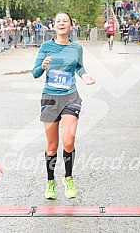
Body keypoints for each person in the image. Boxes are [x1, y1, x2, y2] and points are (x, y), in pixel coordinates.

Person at [32, 12, 95, 199]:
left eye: (65, 21)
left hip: (70, 97)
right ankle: (50, 181)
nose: (61, 23)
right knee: (52, 146)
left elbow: (78, 67)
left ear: (71, 26)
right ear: (54, 26)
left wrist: (85, 76)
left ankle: (68, 178)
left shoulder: (76, 47)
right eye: (58, 21)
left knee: (68, 142)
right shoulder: (46, 46)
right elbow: (35, 73)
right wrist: (42, 66)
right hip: (50, 98)